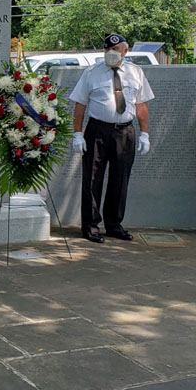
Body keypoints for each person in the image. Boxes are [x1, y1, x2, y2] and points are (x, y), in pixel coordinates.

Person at [69, 33, 154, 243]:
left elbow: (141, 105)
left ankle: (114, 224)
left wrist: (145, 134)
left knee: (120, 179)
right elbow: (80, 105)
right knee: (92, 179)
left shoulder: (136, 72)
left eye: (116, 50)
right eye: (107, 50)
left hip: (125, 131)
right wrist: (78, 134)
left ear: (125, 51)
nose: (111, 54)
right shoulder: (91, 73)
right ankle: (90, 226)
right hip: (97, 130)